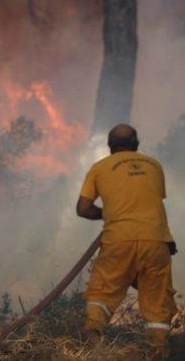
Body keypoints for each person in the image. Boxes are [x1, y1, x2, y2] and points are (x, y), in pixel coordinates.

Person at [77, 124, 177, 355]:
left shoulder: (99, 167)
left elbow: (83, 209)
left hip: (119, 240)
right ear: (137, 144)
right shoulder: (154, 166)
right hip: (157, 241)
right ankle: (158, 352)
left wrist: (109, 212)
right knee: (157, 302)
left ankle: (94, 349)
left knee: (101, 295)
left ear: (110, 146)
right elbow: (151, 201)